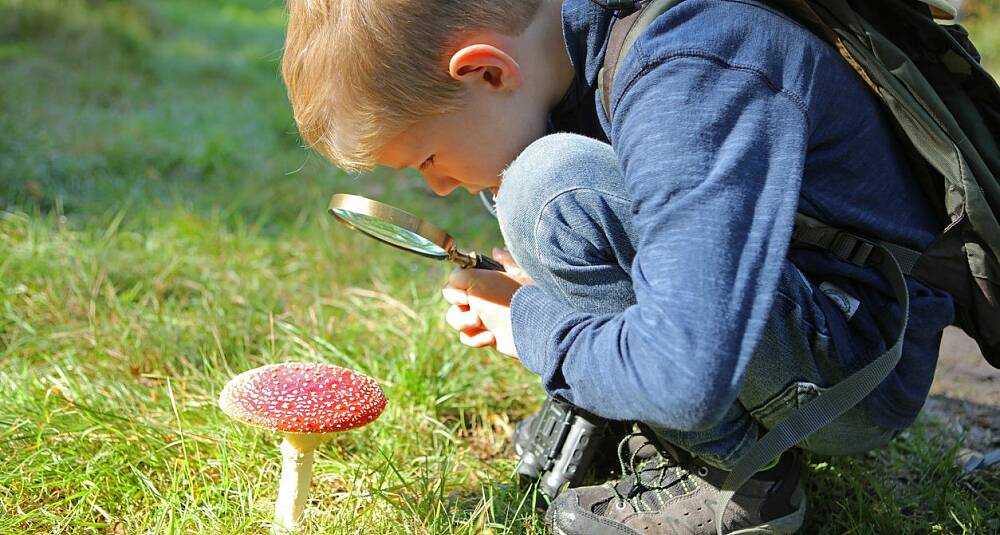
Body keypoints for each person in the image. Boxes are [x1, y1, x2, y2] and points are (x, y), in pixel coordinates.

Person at [280, 0, 955, 533]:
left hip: (859, 368)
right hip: (784, 309)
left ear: (486, 70)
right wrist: (540, 282)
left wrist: (529, 322)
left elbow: (684, 376)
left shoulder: (690, 71)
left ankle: (739, 480)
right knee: (535, 184)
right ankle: (643, 421)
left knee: (549, 188)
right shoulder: (578, 43)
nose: (437, 188)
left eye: (426, 159)